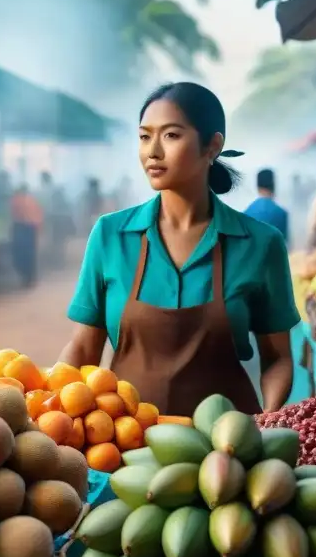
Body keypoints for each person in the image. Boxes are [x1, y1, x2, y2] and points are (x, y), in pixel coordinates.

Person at [59, 82, 299, 416]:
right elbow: (84, 349)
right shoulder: (111, 235)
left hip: (227, 452)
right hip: (123, 448)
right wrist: (51, 406)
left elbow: (278, 358)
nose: (152, 151)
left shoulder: (260, 243)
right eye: (144, 136)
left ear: (212, 146)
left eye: (171, 135)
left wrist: (266, 420)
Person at [10, 183, 43, 288]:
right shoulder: (32, 200)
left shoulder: (16, 200)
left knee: (22, 255)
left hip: (22, 228)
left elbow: (13, 215)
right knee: (30, 255)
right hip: (30, 228)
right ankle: (30, 278)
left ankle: (27, 278)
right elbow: (39, 216)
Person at [243, 168, 289, 241]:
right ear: (273, 185)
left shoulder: (246, 213)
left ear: (257, 186)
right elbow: (284, 246)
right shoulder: (281, 213)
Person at [38, 171, 72, 266]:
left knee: (57, 241)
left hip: (56, 219)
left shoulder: (49, 190)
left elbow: (49, 207)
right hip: (61, 218)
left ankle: (58, 261)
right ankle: (60, 261)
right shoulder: (55, 189)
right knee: (59, 241)